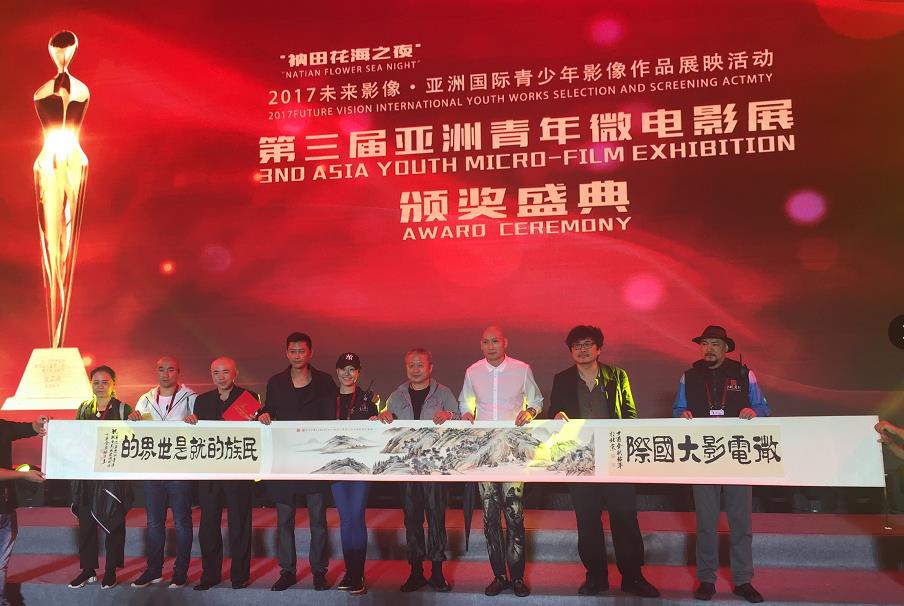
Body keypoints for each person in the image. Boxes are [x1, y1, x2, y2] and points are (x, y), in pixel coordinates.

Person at [548, 325, 660, 598]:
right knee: (587, 520)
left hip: (615, 458)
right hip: (580, 459)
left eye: (588, 344)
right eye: (577, 345)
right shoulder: (562, 379)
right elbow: (554, 412)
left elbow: (630, 413)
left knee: (625, 518)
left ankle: (633, 577)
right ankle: (595, 577)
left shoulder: (617, 376)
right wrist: (557, 415)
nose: (582, 350)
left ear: (599, 348)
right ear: (571, 351)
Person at [673, 326, 770, 604]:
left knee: (741, 522)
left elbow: (764, 408)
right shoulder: (689, 376)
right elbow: (677, 410)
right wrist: (683, 415)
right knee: (705, 523)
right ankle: (706, 579)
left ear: (726, 348)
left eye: (715, 344)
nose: (709, 349)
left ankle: (743, 580)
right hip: (703, 458)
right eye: (704, 344)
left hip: (738, 457)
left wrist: (753, 411)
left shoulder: (744, 374)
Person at [459, 326, 543, 598]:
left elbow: (537, 400)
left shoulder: (522, 369)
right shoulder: (473, 371)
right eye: (486, 342)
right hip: (484, 453)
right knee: (490, 517)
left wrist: (530, 411)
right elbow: (465, 403)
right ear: (481, 345)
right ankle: (498, 575)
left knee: (515, 515)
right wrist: (466, 414)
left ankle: (517, 577)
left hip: (512, 452)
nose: (491, 346)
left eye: (495, 341)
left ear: (505, 343)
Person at [376, 348, 458, 593]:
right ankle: (416, 572)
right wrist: (383, 416)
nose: (415, 369)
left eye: (420, 365)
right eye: (411, 365)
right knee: (412, 521)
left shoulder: (444, 394)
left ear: (430, 367)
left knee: (436, 519)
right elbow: (387, 424)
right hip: (407, 469)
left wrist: (450, 415)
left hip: (435, 469)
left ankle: (437, 573)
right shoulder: (396, 396)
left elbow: (460, 421)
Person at [258, 332, 336, 591]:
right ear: (286, 353)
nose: (297, 356)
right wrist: (264, 414)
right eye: (293, 351)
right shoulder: (276, 382)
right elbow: (269, 409)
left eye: (302, 351)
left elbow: (332, 418)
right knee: (284, 520)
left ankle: (319, 571)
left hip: (315, 459)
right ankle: (287, 571)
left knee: (318, 520)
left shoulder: (325, 381)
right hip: (285, 459)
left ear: (310, 353)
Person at [185, 357, 259, 590]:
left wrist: (260, 420)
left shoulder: (249, 398)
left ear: (235, 373)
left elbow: (256, 433)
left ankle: (239, 575)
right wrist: (191, 422)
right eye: (216, 373)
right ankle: (210, 574)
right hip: (210, 471)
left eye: (225, 372)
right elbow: (198, 435)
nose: (221, 377)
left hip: (238, 471)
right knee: (208, 525)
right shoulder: (202, 401)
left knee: (239, 523)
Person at [128, 356, 197, 589]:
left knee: (182, 522)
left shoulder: (190, 398)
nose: (165, 374)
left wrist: (196, 420)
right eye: (161, 369)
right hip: (153, 468)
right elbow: (136, 432)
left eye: (170, 369)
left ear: (178, 372)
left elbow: (203, 430)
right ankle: (154, 570)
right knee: (154, 522)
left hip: (180, 469)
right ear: (156, 371)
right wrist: (134, 419)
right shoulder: (145, 399)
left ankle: (180, 572)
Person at [68, 366, 133, 590]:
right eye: (96, 382)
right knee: (86, 524)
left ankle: (111, 571)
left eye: (105, 382)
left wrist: (134, 423)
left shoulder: (123, 409)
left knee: (114, 522)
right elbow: (75, 437)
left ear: (114, 383)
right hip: (87, 475)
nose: (100, 386)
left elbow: (131, 439)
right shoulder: (84, 408)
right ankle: (88, 570)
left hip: (113, 476)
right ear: (91, 384)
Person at [331, 352, 379, 595]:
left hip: (361, 466)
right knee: (345, 518)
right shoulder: (328, 399)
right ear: (337, 371)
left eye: (352, 369)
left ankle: (357, 574)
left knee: (356, 516)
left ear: (358, 372)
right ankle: (350, 572)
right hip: (334, 465)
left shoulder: (367, 400)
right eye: (343, 369)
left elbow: (375, 430)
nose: (347, 374)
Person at [0, 416, 46, 606]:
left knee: (1, 564)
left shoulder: (2, 425)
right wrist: (23, 475)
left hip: (6, 508)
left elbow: (27, 428)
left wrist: (40, 424)